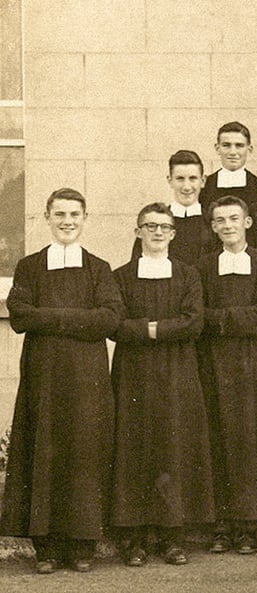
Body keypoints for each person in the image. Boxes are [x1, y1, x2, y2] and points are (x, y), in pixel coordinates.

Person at [0, 188, 124, 574]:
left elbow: (109, 319)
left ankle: (82, 544)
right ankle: (47, 548)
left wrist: (50, 317)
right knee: (45, 452)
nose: (67, 221)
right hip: (44, 377)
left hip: (87, 379)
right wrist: (77, 318)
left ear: (85, 218)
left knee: (84, 455)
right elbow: (20, 314)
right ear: (47, 217)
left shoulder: (99, 267)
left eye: (74, 214)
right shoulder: (30, 266)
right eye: (60, 214)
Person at [110, 203, 213, 567]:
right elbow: (115, 324)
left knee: (174, 447)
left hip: (177, 371)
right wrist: (160, 329)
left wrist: (147, 329)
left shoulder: (187, 275)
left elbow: (194, 322)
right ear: (137, 231)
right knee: (133, 448)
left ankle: (172, 537)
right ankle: (134, 538)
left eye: (164, 227)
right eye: (150, 226)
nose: (157, 232)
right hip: (133, 373)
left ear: (173, 234)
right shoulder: (121, 276)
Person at [197, 196, 257, 555]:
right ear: (213, 227)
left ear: (247, 222)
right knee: (218, 438)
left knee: (250, 439)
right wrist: (236, 319)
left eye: (234, 218)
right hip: (215, 362)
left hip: (255, 363)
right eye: (220, 220)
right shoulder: (204, 265)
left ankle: (249, 525)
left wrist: (220, 319)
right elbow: (197, 315)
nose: (228, 226)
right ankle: (221, 525)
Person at [132, 150, 216, 266]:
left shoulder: (213, 223)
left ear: (203, 181)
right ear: (170, 181)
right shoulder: (152, 224)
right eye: (180, 179)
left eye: (193, 178)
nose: (186, 187)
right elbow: (137, 267)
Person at [199, 121, 257, 212]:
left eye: (239, 146)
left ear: (249, 149)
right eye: (226, 145)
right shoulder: (203, 189)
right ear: (217, 148)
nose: (232, 152)